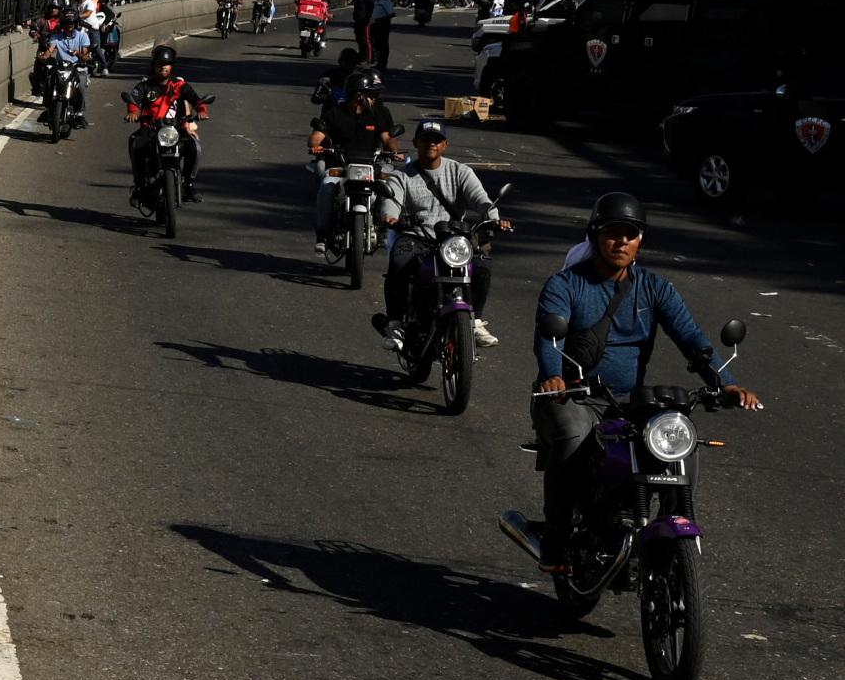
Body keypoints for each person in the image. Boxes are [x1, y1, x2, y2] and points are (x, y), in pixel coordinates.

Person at [527, 191, 760, 571]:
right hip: (572, 397)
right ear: (595, 236)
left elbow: (693, 341)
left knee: (681, 439)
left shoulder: (656, 288)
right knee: (572, 436)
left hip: (628, 401)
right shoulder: (565, 285)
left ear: (640, 241)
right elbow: (548, 340)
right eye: (612, 233)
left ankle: (669, 525)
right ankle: (557, 537)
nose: (621, 241)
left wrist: (726, 382)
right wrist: (555, 378)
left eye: (630, 234)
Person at [373, 118, 507, 348]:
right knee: (399, 262)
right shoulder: (402, 175)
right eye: (426, 140)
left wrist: (494, 219)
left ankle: (474, 321)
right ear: (416, 143)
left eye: (437, 140)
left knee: (482, 266)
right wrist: (391, 217)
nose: (431, 144)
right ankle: (396, 324)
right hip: (416, 237)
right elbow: (391, 200)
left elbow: (481, 200)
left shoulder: (460, 171)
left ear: (445, 145)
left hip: (453, 240)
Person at [305, 68, 401, 255]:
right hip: (340, 167)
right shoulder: (335, 114)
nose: (374, 99)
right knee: (326, 186)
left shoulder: (377, 114)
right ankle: (323, 234)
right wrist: (316, 145)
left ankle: (383, 228)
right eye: (370, 95)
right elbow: (316, 137)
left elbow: (387, 138)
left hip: (370, 167)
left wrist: (394, 150)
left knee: (390, 184)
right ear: (359, 96)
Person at [121, 42, 210, 204]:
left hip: (176, 129)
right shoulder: (145, 86)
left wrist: (202, 110)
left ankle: (188, 185)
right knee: (135, 144)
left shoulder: (179, 85)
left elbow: (196, 99)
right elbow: (133, 100)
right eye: (159, 64)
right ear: (153, 66)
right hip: (151, 129)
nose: (163, 67)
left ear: (172, 66)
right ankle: (139, 187)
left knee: (194, 146)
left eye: (167, 64)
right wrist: (133, 112)